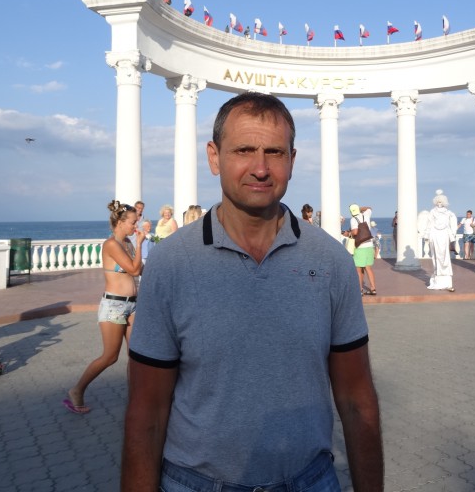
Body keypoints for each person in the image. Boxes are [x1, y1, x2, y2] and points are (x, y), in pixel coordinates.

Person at [122, 92, 383, 491]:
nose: (260, 168)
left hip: (310, 480)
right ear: (214, 157)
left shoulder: (331, 261)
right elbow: (147, 411)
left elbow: (356, 398)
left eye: (274, 152)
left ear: (292, 160)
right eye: (243, 150)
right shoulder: (171, 264)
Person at [64, 200, 145, 414]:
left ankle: (135, 399)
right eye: (133, 222)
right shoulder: (111, 245)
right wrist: (140, 244)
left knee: (136, 356)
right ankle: (77, 390)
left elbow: (141, 269)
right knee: (110, 356)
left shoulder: (127, 243)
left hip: (133, 305)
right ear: (120, 222)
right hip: (114, 306)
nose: (135, 226)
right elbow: (134, 270)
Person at [424, 190, 458, 292]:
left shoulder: (448, 213)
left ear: (444, 202)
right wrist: (427, 235)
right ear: (435, 202)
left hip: (444, 236)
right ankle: (438, 280)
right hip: (435, 235)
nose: (439, 204)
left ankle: (447, 282)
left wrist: (452, 235)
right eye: (438, 202)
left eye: (441, 202)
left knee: (445, 257)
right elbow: (429, 224)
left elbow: (452, 225)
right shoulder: (432, 212)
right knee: (436, 256)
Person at [349, 204, 377, 295]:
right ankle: (373, 289)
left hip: (360, 247)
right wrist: (361, 208)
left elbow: (355, 232)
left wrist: (349, 233)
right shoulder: (366, 215)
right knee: (368, 268)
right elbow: (369, 208)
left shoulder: (353, 219)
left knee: (359, 269)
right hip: (369, 245)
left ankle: (360, 290)